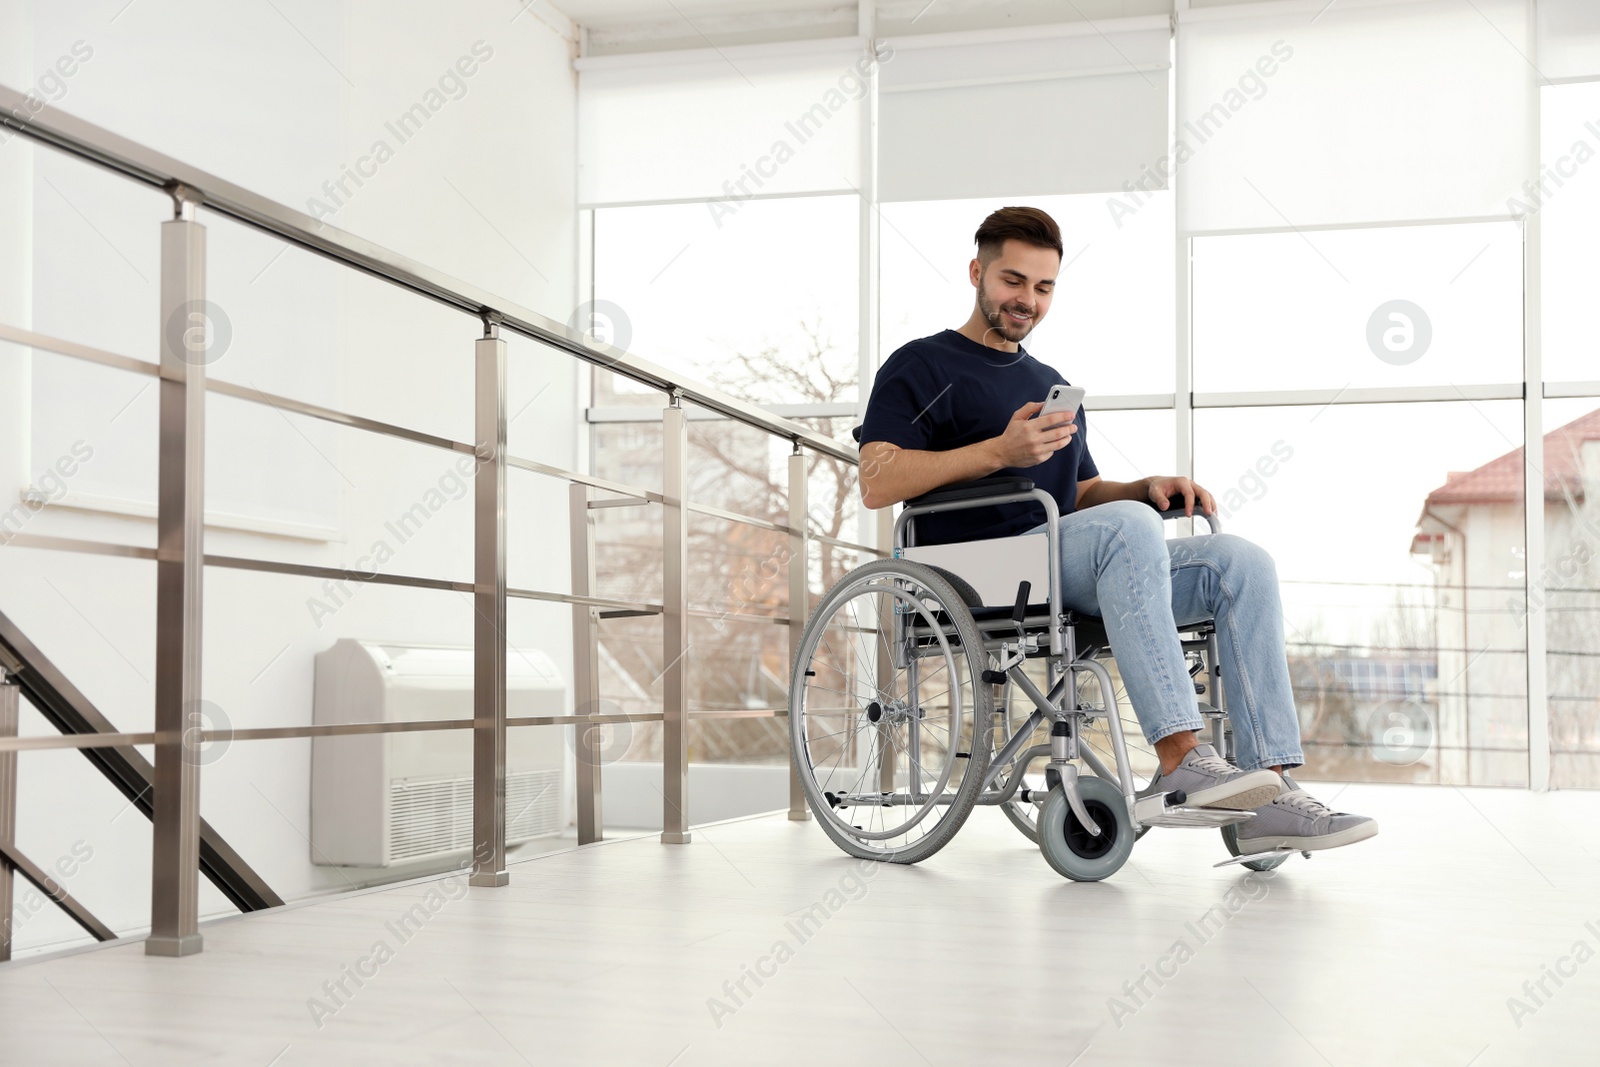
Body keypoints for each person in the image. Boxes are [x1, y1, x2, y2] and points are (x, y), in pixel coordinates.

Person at [856, 205, 1376, 853]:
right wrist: (1000, 450)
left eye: (1043, 288)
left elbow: (1075, 495)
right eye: (1013, 281)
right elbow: (877, 479)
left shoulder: (1047, 383)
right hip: (974, 567)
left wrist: (1142, 490)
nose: (1028, 301)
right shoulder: (922, 366)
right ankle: (1180, 757)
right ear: (976, 273)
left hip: (1059, 560)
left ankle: (1266, 789)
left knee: (1239, 561)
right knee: (1127, 530)